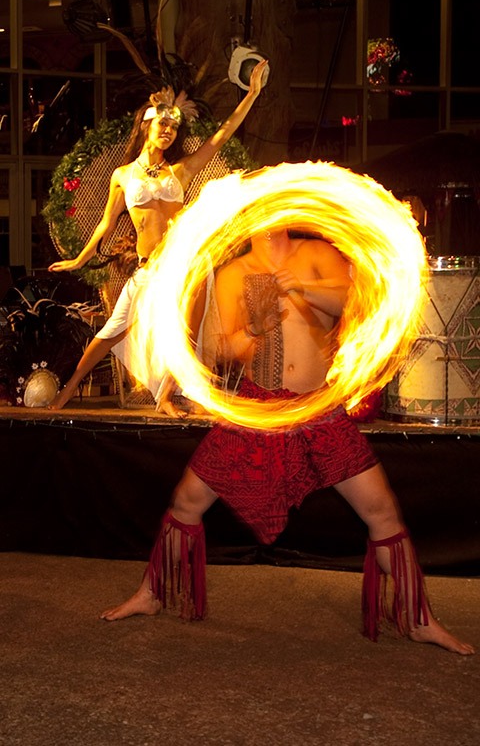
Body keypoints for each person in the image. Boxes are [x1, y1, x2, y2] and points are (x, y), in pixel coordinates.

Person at [100, 226, 474, 655]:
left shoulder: (315, 254)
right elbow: (224, 350)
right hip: (258, 409)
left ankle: (419, 619)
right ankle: (152, 593)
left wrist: (303, 288)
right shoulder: (234, 272)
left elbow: (351, 302)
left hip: (316, 408)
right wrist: (254, 330)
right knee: (187, 500)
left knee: (381, 510)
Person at [47, 60, 268, 413]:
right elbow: (106, 224)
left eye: (174, 127)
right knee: (109, 334)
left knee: (185, 333)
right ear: (147, 125)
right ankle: (67, 390)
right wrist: (79, 260)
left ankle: (165, 397)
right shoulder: (122, 176)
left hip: (183, 265)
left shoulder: (181, 170)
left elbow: (221, 135)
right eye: (163, 123)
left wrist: (251, 94)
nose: (169, 131)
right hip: (147, 268)